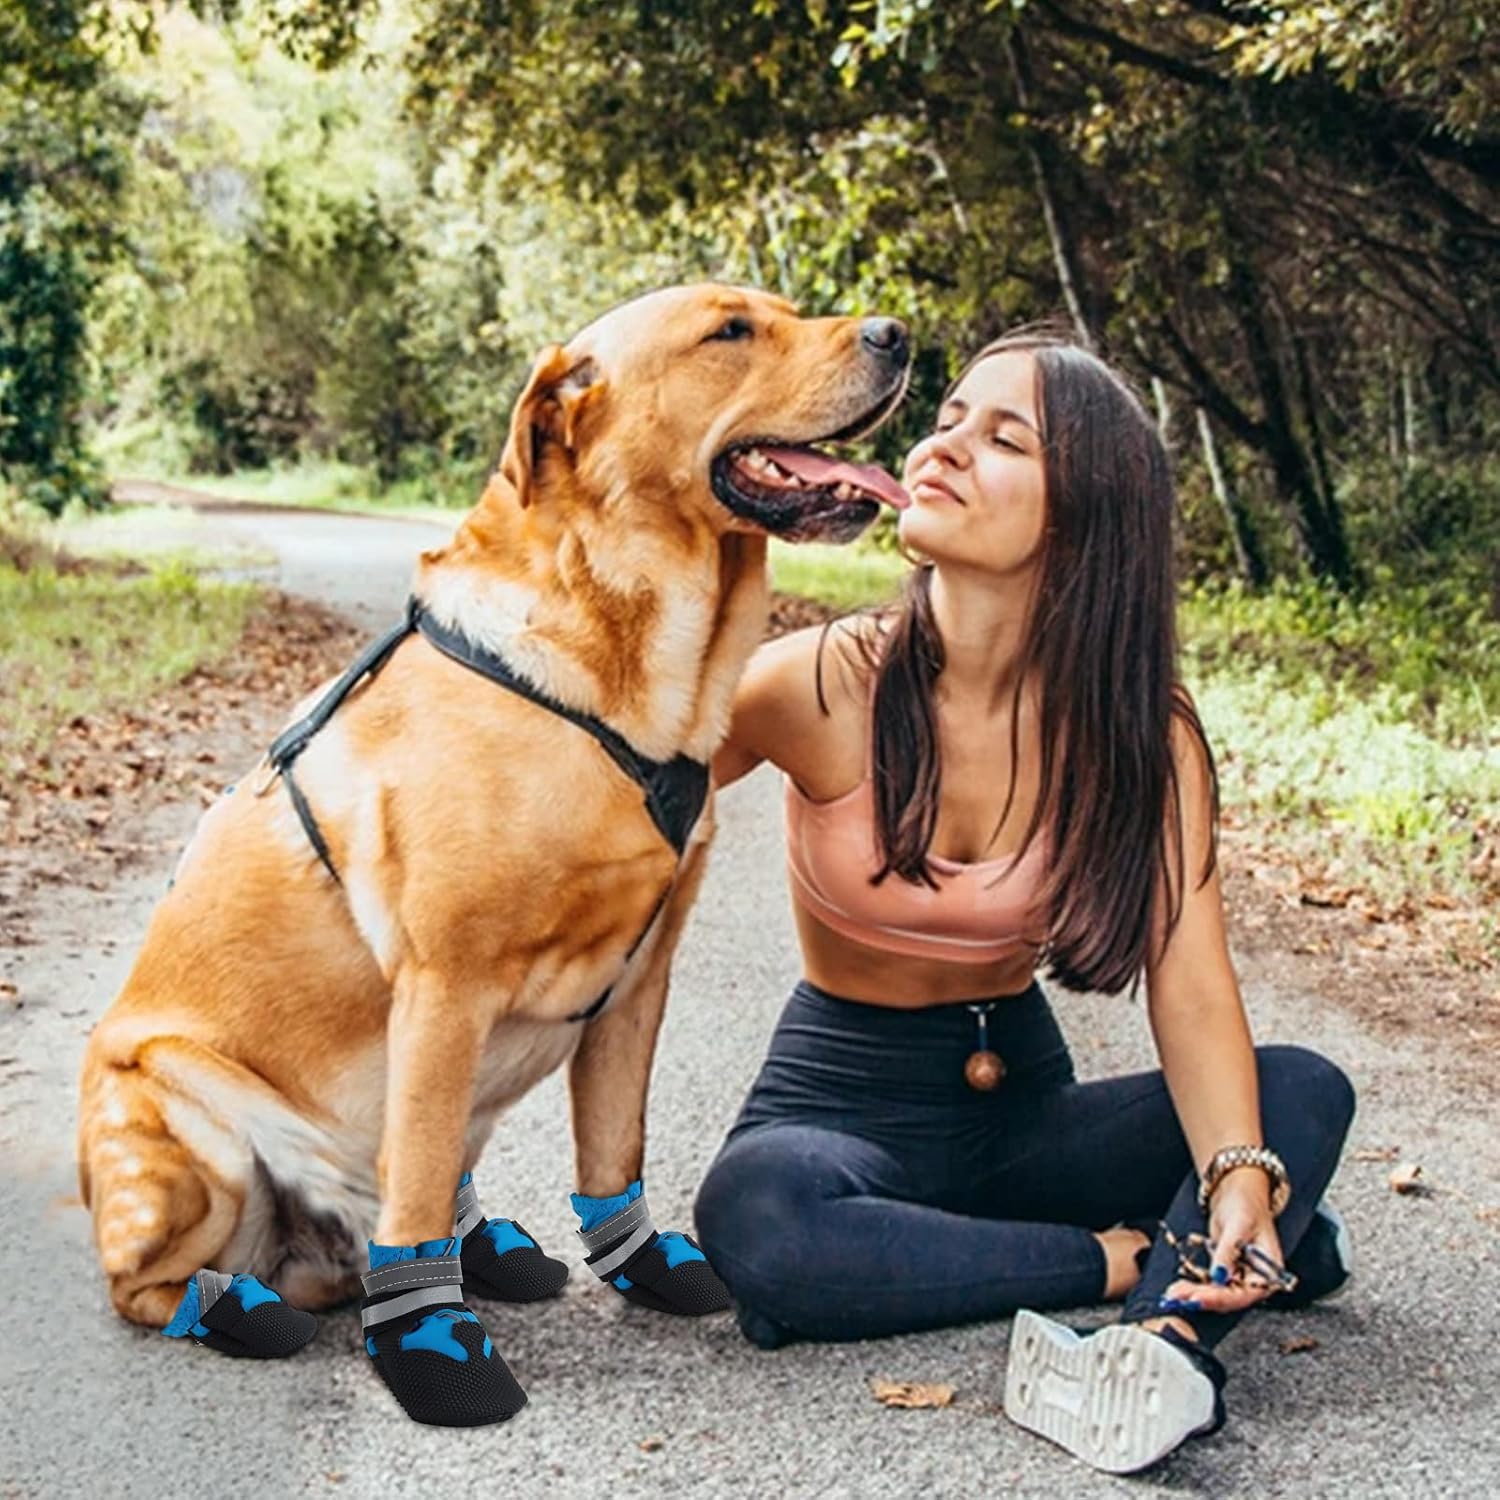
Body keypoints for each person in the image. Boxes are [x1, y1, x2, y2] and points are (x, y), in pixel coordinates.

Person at [693, 327, 1357, 1475]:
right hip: (842, 1107)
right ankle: (1122, 1261)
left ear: (1083, 515)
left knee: (1298, 1094)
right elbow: (610, 806)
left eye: (1002, 438)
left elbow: (1189, 979)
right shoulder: (818, 684)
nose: (942, 446)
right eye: (949, 418)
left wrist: (1240, 1173)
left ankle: (1166, 1345)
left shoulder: (1143, 733)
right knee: (758, 1216)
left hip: (1020, 1108)